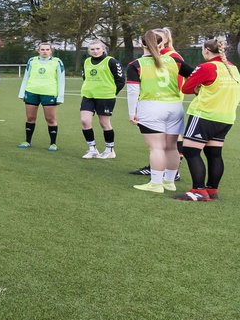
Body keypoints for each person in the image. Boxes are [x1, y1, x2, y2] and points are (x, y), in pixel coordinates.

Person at [176, 37, 240, 201]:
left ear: (206, 50)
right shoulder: (233, 68)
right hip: (226, 117)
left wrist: (199, 88)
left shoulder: (207, 66)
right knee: (214, 154)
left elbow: (186, 87)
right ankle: (212, 190)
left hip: (204, 115)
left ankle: (198, 190)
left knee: (191, 151)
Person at [127, 29, 187, 193]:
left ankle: (156, 184)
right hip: (175, 107)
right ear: (163, 43)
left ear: (142, 44)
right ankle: (169, 182)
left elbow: (133, 92)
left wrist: (132, 113)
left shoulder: (136, 64)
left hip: (151, 108)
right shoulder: (174, 61)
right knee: (172, 147)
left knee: (157, 148)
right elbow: (195, 76)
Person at [79, 40, 124, 159]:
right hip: (88, 95)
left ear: (103, 49)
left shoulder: (111, 61)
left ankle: (110, 150)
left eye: (97, 49)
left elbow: (120, 80)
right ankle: (92, 149)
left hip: (106, 97)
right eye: (92, 49)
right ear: (89, 51)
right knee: (85, 121)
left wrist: (111, 92)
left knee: (104, 123)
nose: (95, 51)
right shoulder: (86, 61)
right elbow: (85, 77)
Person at [18, 42, 66, 150]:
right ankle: (27, 141)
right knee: (30, 118)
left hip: (49, 93)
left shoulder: (57, 62)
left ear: (51, 51)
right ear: (38, 51)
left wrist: (60, 96)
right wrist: (22, 93)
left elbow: (61, 80)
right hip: (31, 92)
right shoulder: (32, 61)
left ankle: (53, 143)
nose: (45, 51)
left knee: (50, 119)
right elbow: (26, 77)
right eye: (42, 49)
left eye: (47, 49)